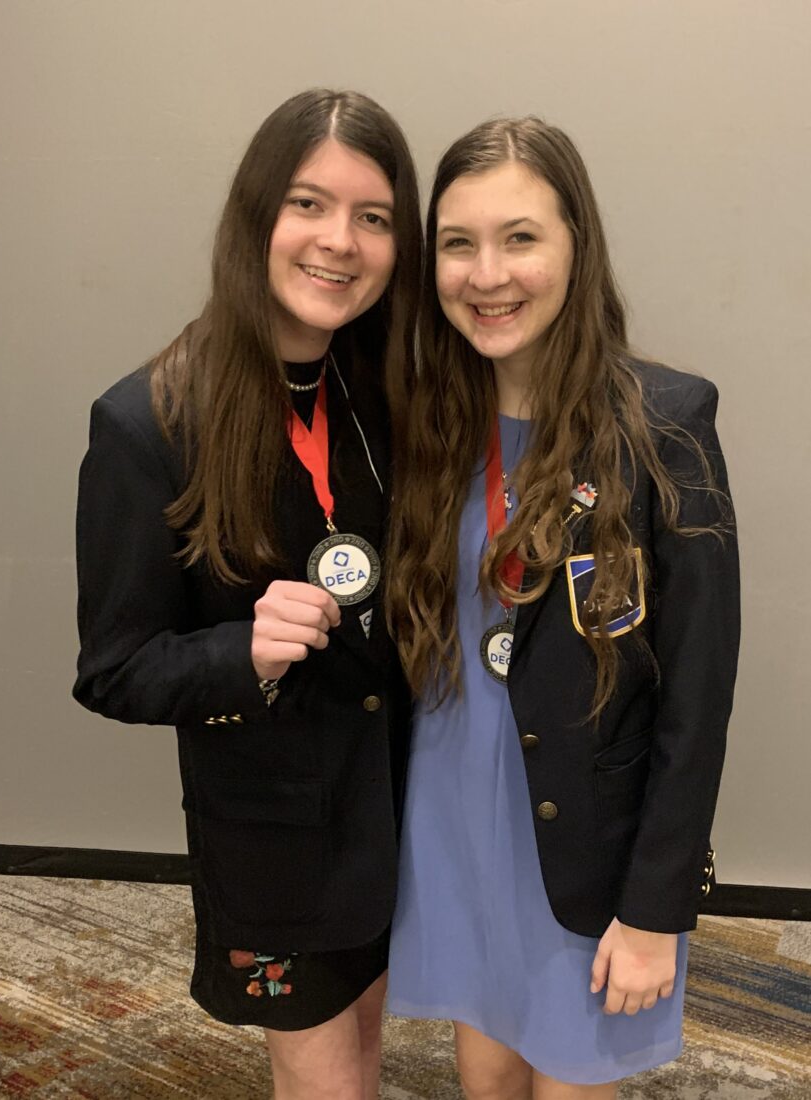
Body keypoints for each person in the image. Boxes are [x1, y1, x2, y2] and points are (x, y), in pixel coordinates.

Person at [73, 88, 422, 1100]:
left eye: (374, 217)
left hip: (398, 811)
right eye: (309, 204)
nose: (339, 242)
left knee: (365, 1052)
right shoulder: (147, 422)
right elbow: (114, 668)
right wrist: (244, 650)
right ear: (255, 215)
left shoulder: (381, 390)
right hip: (273, 842)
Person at [385, 116, 740, 1100]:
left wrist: (656, 906)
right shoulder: (427, 421)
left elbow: (697, 692)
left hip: (587, 850)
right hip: (455, 826)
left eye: (522, 237)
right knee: (486, 1074)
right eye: (459, 243)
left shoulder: (664, 423)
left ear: (576, 244)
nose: (487, 272)